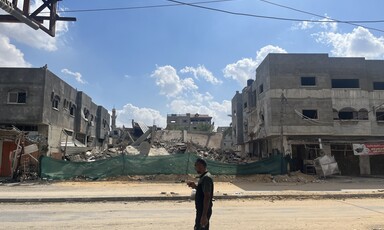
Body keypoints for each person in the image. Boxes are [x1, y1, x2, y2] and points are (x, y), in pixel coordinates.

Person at [187, 158, 214, 230]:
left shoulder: (206, 178)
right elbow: (202, 191)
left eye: (196, 165)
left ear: (200, 166)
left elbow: (207, 196)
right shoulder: (203, 177)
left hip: (203, 210)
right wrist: (195, 186)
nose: (195, 168)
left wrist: (204, 215)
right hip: (201, 210)